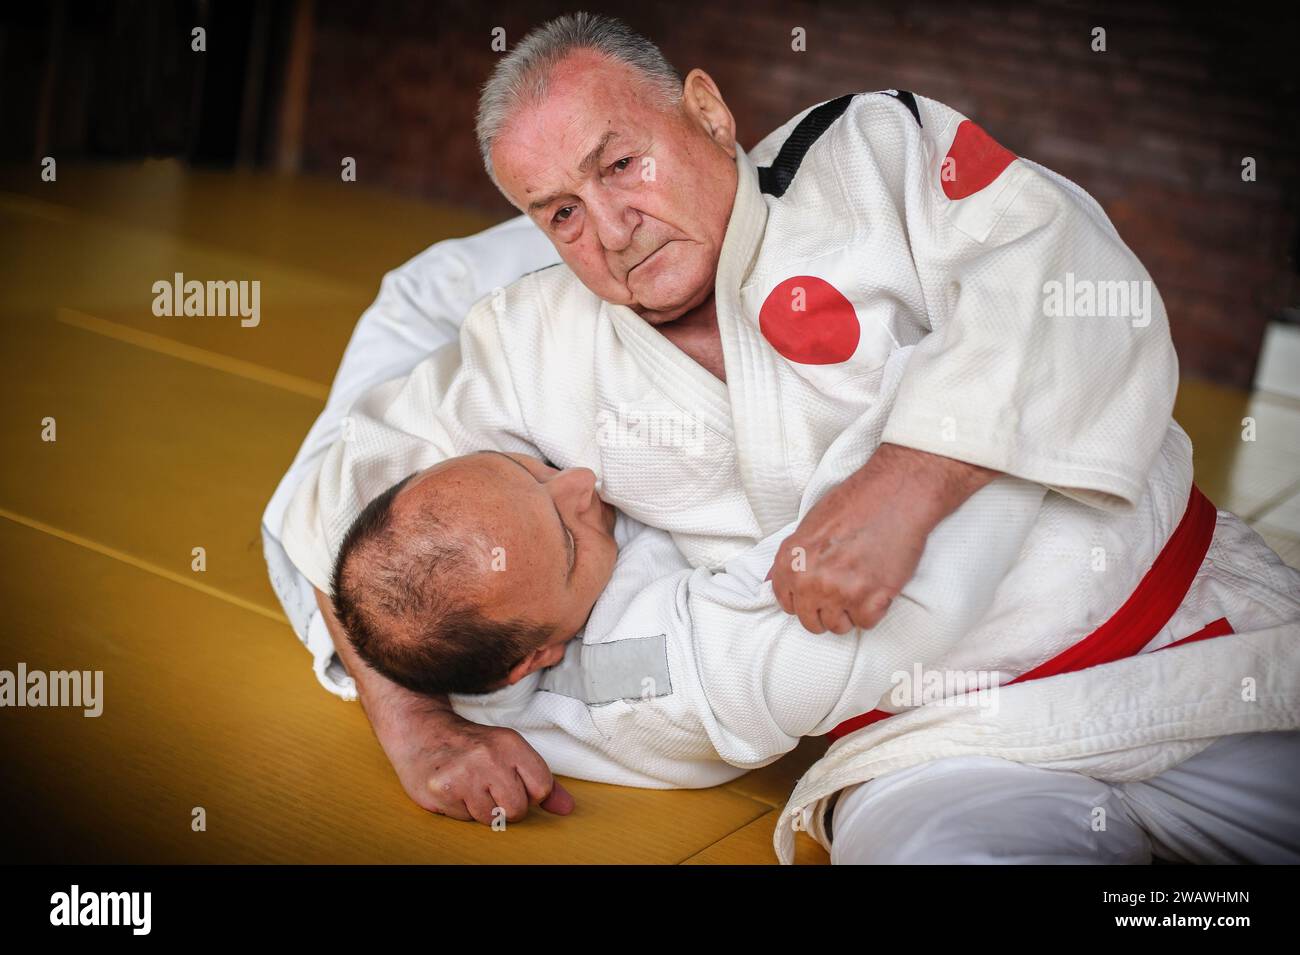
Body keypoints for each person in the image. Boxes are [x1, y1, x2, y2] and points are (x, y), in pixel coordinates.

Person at [265, 14, 1299, 853]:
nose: (611, 229)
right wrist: (418, 732)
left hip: (1187, 653)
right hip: (926, 751)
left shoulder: (867, 156)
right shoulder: (524, 342)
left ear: (707, 114)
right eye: (560, 213)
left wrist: (912, 475)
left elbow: (1065, 278)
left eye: (620, 163)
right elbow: (341, 515)